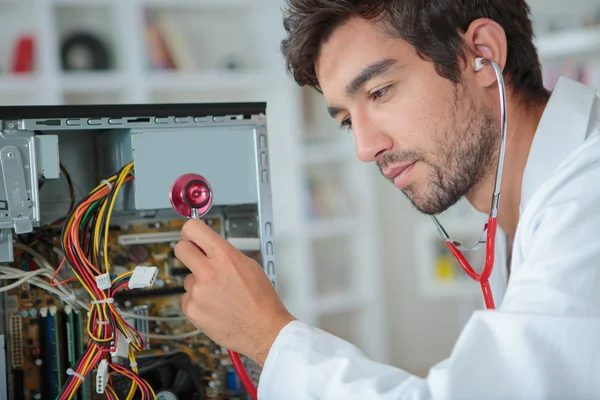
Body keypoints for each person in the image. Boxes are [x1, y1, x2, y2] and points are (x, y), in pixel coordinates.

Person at [174, 0, 600, 398]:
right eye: (346, 121)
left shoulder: (588, 198)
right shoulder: (534, 211)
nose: (364, 148)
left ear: (482, 54)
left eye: (379, 92)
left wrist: (267, 337)